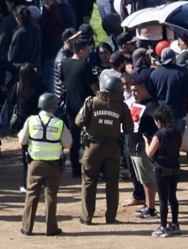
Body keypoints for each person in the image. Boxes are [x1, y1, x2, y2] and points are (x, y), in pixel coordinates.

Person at [74, 72, 128, 225]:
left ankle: (86, 217)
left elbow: (79, 121)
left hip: (93, 147)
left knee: (89, 181)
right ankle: (111, 217)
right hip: (113, 148)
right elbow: (129, 128)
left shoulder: (91, 102)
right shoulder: (122, 106)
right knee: (112, 182)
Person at [18, 92, 71, 236]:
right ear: (54, 107)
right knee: (51, 196)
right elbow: (68, 145)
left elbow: (22, 141)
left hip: (35, 164)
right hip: (54, 166)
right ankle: (51, 228)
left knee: (31, 194)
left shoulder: (31, 121)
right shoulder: (59, 123)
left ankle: (27, 227)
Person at [57, 39, 98, 179]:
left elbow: (61, 82)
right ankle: (93, 166)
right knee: (92, 136)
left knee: (74, 138)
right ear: (81, 51)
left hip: (71, 106)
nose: (88, 52)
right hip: (86, 106)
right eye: (87, 50)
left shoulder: (65, 62)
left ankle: (75, 169)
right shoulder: (84, 65)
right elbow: (93, 86)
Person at [123, 74, 159, 219]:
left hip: (142, 147)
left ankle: (151, 209)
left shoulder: (152, 105)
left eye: (136, 91)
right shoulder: (138, 104)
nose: (133, 94)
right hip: (133, 146)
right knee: (142, 179)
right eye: (132, 91)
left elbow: (158, 125)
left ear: (144, 90)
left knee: (148, 179)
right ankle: (147, 204)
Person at [144, 105, 181, 238]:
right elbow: (180, 146)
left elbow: (149, 153)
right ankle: (175, 224)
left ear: (159, 121)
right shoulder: (177, 131)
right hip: (175, 166)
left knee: (163, 199)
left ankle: (163, 227)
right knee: (173, 197)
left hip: (162, 167)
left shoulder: (159, 135)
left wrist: (146, 142)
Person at [147, 48, 188, 132]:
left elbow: (150, 92)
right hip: (177, 113)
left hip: (161, 115)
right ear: (173, 59)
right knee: (177, 142)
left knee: (162, 141)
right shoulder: (181, 73)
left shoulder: (154, 74)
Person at [8, 5, 42, 72]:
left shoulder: (19, 33)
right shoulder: (37, 28)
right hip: (36, 67)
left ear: (17, 19)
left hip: (23, 69)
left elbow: (11, 56)